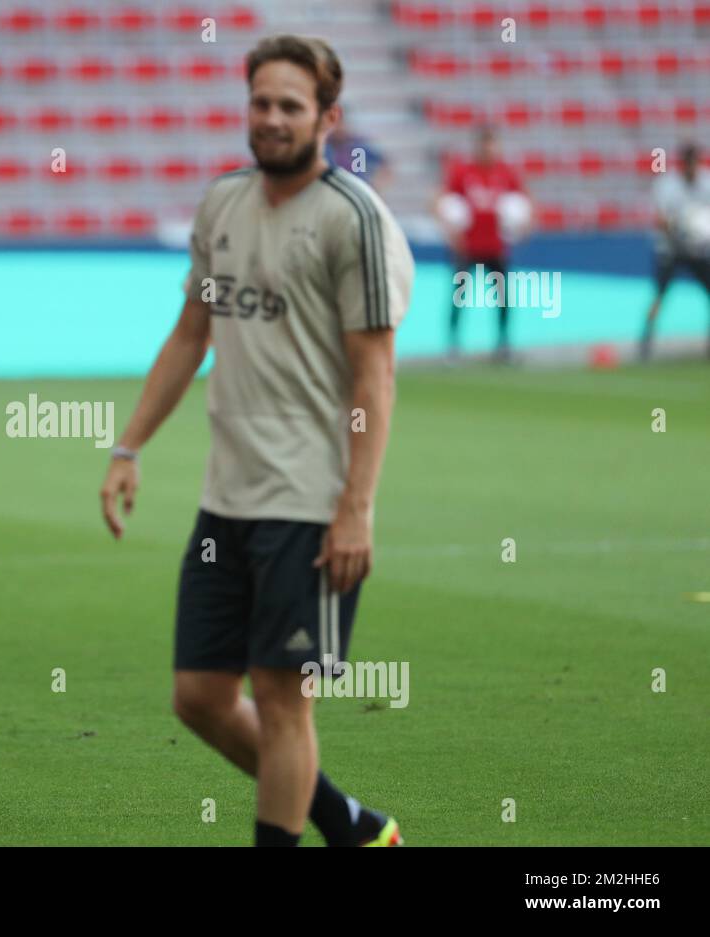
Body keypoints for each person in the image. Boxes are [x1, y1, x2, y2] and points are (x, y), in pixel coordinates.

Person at [100, 35, 412, 847]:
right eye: (261, 102)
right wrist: (127, 446)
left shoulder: (356, 222)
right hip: (226, 497)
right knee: (199, 695)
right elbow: (189, 334)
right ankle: (348, 824)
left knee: (282, 697)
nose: (271, 119)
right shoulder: (223, 204)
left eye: (290, 106)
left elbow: (375, 375)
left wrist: (357, 508)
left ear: (327, 117)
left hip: (311, 501)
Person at [435, 124, 527, 362]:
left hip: (496, 246)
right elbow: (440, 201)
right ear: (478, 146)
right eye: (485, 144)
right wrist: (449, 231)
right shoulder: (463, 172)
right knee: (459, 296)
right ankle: (453, 346)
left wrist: (524, 225)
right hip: (467, 246)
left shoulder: (506, 172)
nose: (489, 149)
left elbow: (524, 202)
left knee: (503, 297)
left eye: (492, 144)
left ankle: (503, 344)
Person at [639, 141, 710, 360]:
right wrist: (682, 230)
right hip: (670, 249)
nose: (691, 167)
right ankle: (646, 343)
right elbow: (660, 219)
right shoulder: (667, 185)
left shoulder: (706, 182)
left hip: (697, 250)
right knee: (659, 296)